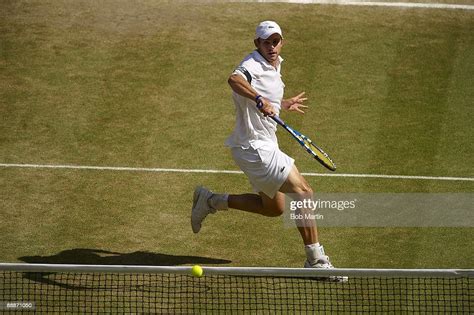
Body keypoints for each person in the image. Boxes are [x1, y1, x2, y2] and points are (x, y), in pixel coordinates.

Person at [191, 21, 339, 270]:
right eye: (266, 41)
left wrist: (282, 103)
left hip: (262, 144)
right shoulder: (251, 64)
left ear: (281, 43)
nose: (271, 46)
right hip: (254, 147)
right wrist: (258, 99)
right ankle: (316, 260)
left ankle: (211, 200)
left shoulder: (275, 64)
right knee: (304, 193)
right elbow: (234, 79)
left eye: (275, 41)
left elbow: (266, 96)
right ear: (256, 43)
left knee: (273, 208)